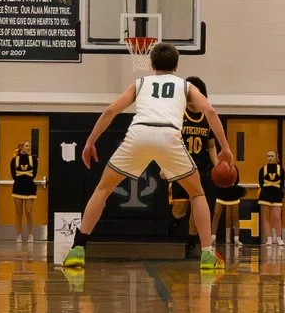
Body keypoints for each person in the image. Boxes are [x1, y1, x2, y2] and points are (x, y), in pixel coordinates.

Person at [63, 40, 232, 271]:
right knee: (197, 193)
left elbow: (111, 110)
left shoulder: (140, 83)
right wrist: (225, 148)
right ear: (177, 64)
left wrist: (90, 142)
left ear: (151, 63)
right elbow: (210, 111)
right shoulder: (185, 86)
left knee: (102, 189)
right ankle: (207, 254)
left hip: (138, 133)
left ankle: (78, 248)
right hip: (169, 136)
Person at [6, 138, 41, 244]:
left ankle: (30, 235)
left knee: (29, 212)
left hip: (30, 187)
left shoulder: (33, 159)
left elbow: (34, 174)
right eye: (26, 146)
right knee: (18, 213)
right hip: (18, 187)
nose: (28, 148)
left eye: (29, 146)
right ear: (21, 147)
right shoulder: (14, 160)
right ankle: (18, 235)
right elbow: (13, 175)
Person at [255, 146, 285, 251]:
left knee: (277, 217)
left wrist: (282, 195)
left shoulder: (280, 169)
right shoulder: (262, 169)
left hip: (276, 194)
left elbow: (282, 183)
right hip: (265, 194)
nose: (270, 158)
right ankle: (268, 238)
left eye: (272, 156)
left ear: (276, 157)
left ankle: (278, 238)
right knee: (266, 217)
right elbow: (260, 183)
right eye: (268, 156)